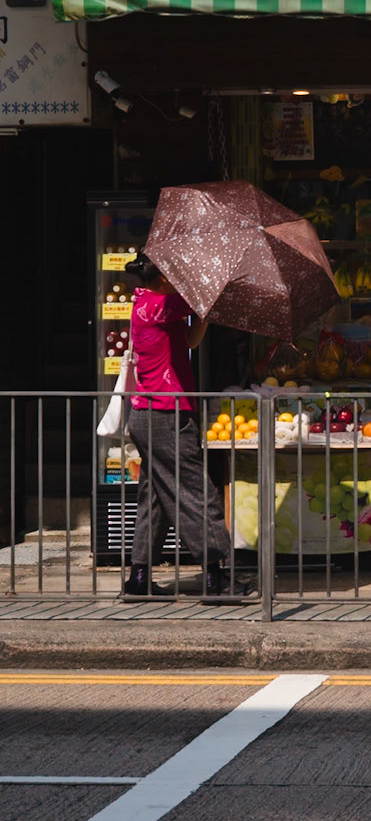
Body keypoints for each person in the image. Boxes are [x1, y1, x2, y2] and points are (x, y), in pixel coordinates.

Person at [123, 256, 244, 600]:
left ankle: (140, 577)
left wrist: (204, 314)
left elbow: (190, 340)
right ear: (162, 277)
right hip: (166, 413)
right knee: (196, 492)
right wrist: (221, 272)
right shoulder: (160, 303)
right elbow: (204, 296)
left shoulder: (150, 303)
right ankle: (215, 576)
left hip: (149, 414)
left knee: (156, 498)